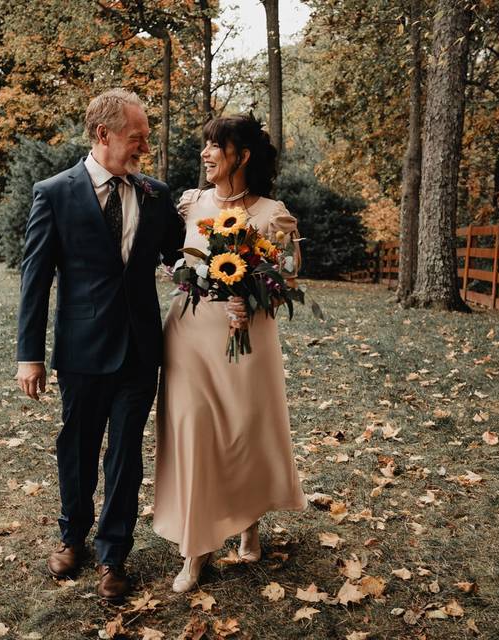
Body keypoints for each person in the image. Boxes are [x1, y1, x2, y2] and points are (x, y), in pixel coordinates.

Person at [15, 88, 184, 600]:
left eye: (146, 139)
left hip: (139, 349)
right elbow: (35, 278)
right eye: (137, 138)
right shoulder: (55, 192)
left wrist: (231, 271)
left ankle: (114, 554)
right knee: (79, 447)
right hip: (81, 348)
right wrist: (29, 354)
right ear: (103, 134)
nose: (143, 148)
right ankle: (72, 536)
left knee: (126, 454)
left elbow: (183, 258)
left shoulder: (154, 194)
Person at [152, 113, 307, 593]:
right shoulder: (189, 205)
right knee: (195, 433)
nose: (205, 153)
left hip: (246, 343)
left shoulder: (272, 213)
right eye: (205, 144)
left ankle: (249, 522)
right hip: (189, 339)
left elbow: (289, 281)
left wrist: (257, 295)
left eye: (215, 145)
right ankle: (195, 551)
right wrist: (176, 273)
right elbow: (170, 260)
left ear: (240, 155)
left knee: (244, 434)